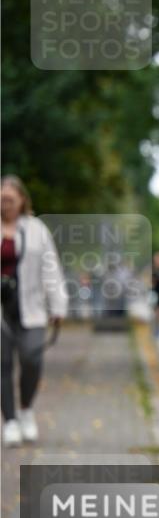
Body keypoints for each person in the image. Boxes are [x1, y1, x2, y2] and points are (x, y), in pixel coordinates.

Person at [1, 175, 67, 447]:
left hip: (31, 307)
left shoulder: (36, 229)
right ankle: (11, 422)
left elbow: (50, 268)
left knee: (32, 359)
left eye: (9, 198)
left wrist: (58, 304)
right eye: (1, 198)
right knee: (2, 365)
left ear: (21, 200)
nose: (5, 203)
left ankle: (26, 409)